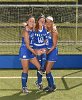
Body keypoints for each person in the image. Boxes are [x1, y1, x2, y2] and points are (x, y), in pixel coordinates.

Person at [19, 15, 42, 94]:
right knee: (26, 69)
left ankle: (38, 83)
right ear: (28, 22)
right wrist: (36, 52)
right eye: (30, 21)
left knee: (39, 67)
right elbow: (28, 46)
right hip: (25, 51)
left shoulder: (33, 28)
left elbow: (41, 24)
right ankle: (24, 87)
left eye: (33, 21)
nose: (32, 23)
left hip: (31, 51)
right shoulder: (26, 31)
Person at [43, 16, 58, 92]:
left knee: (48, 69)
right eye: (47, 21)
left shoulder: (54, 32)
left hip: (52, 52)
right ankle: (50, 85)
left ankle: (52, 86)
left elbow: (54, 45)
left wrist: (47, 52)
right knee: (46, 69)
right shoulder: (46, 30)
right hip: (48, 52)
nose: (48, 23)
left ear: (52, 22)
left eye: (50, 21)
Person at [34, 14, 47, 90]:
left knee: (41, 68)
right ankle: (39, 82)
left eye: (43, 20)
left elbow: (45, 39)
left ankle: (39, 82)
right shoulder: (34, 29)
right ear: (38, 21)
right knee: (39, 67)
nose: (42, 21)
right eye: (41, 20)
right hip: (36, 48)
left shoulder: (44, 29)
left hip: (43, 47)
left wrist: (44, 45)